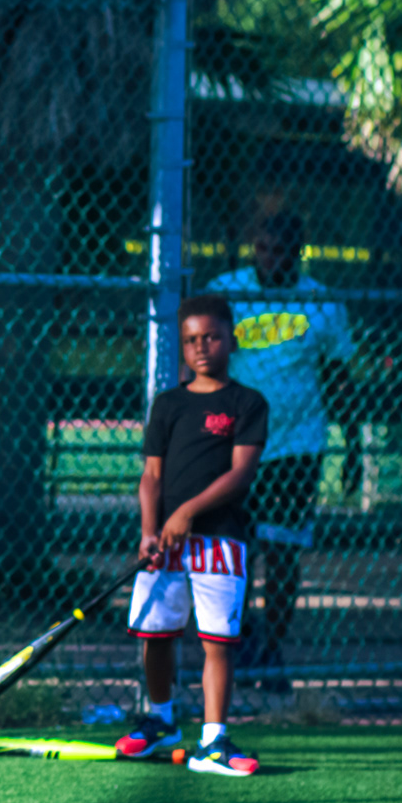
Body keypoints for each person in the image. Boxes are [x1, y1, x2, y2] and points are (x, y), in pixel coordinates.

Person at [117, 295, 268, 777]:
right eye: (190, 340)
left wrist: (187, 512)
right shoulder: (169, 404)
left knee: (217, 641)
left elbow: (240, 474)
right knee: (156, 633)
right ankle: (161, 721)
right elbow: (151, 476)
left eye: (211, 337)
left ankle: (212, 740)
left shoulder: (247, 403)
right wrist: (149, 531)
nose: (201, 347)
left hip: (220, 540)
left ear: (231, 340)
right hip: (165, 544)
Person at [206, 208, 356, 692]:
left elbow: (338, 377)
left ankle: (272, 652)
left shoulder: (321, 303)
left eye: (281, 251)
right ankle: (238, 639)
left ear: (298, 253)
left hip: (297, 444)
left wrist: (353, 443)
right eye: (263, 249)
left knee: (283, 550)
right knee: (235, 549)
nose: (271, 259)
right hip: (236, 445)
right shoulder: (227, 292)